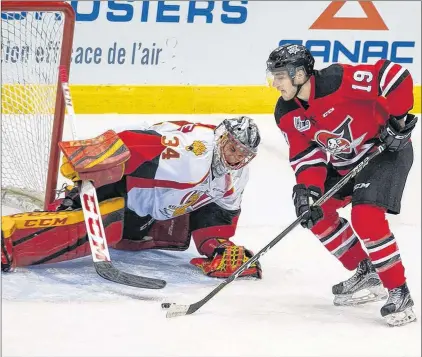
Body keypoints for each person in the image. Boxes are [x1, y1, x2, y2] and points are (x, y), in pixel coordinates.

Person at [266, 44, 418, 326]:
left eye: (280, 76)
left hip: (384, 151)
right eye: (272, 76)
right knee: (315, 213)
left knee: (366, 216)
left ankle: (399, 292)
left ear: (300, 74)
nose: (274, 83)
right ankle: (367, 270)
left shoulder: (339, 80)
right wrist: (308, 190)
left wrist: (397, 120)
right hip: (346, 163)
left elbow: (395, 75)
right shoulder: (286, 112)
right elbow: (306, 156)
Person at [1, 116, 262, 280]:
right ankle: (8, 241)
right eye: (233, 148)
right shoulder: (192, 153)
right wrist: (95, 162)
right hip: (119, 178)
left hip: (147, 209)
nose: (237, 157)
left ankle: (70, 209)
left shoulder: (237, 176)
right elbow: (133, 142)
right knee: (100, 230)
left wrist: (217, 246)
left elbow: (219, 214)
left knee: (141, 238)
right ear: (221, 138)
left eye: (245, 154)